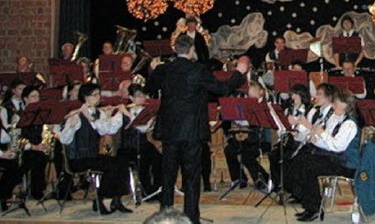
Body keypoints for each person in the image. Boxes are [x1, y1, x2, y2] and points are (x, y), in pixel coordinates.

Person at [153, 34, 247, 224]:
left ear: (175, 49)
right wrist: (239, 72)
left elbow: (150, 86)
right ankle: (190, 219)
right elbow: (223, 89)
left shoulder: (165, 69)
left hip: (169, 130)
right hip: (192, 131)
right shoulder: (198, 70)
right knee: (191, 177)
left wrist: (153, 69)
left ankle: (165, 217)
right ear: (190, 50)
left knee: (168, 176)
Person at [59, 83, 131, 214]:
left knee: (121, 163)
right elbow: (64, 140)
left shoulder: (99, 113)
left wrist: (112, 115)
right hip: (79, 158)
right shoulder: (76, 115)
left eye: (99, 94)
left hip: (93, 155)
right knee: (110, 166)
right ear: (86, 97)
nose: (99, 97)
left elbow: (107, 130)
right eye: (95, 95)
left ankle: (116, 200)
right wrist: (71, 126)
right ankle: (101, 199)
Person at [289, 86, 358, 222]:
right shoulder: (335, 117)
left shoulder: (349, 123)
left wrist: (321, 134)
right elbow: (327, 142)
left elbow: (337, 146)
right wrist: (316, 140)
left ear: (345, 105)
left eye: (336, 103)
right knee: (299, 162)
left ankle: (314, 208)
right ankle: (308, 204)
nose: (333, 105)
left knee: (311, 169)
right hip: (331, 156)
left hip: (344, 162)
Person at [223, 81, 270, 190]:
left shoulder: (264, 105)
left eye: (254, 90)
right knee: (229, 150)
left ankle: (261, 178)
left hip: (259, 139)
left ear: (261, 91)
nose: (251, 93)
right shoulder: (244, 104)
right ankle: (239, 178)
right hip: (244, 136)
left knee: (246, 154)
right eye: (249, 91)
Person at [18, 87, 49, 200]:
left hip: (38, 147)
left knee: (51, 154)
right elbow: (18, 139)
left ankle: (61, 188)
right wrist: (33, 146)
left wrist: (45, 141)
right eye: (33, 97)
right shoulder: (19, 115)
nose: (36, 99)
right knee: (38, 158)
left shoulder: (41, 114)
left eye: (38, 97)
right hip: (24, 149)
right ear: (25, 99)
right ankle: (37, 190)